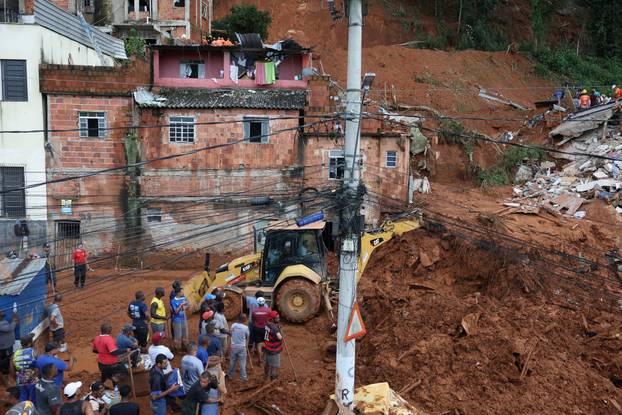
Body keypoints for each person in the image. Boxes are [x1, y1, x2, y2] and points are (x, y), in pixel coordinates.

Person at [13, 334, 37, 402]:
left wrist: (16, 378)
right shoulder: (33, 352)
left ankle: (23, 410)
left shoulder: (15, 353)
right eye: (32, 340)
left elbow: (12, 369)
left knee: (23, 397)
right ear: (29, 343)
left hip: (19, 378)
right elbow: (37, 367)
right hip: (31, 379)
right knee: (34, 397)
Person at [226, 314, 249, 381]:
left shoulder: (233, 325)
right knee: (242, 363)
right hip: (242, 347)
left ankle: (230, 375)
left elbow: (230, 334)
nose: (246, 319)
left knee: (232, 362)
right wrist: (246, 347)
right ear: (243, 319)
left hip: (234, 347)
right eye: (245, 318)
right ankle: (243, 377)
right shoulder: (245, 328)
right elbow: (248, 337)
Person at [263, 311, 283, 381]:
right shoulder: (275, 328)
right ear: (273, 319)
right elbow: (280, 337)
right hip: (274, 349)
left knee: (268, 363)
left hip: (267, 347)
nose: (278, 319)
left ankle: (266, 377)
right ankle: (273, 379)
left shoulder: (267, 324)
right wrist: (280, 331)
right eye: (277, 318)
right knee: (274, 365)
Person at [250, 297, 270, 364]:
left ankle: (259, 358)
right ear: (264, 303)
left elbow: (253, 321)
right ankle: (264, 356)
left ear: (258, 303)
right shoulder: (268, 310)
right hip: (265, 328)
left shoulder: (254, 311)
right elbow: (269, 319)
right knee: (266, 342)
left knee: (258, 343)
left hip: (257, 328)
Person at [0, 310, 18, 376]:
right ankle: (4, 374)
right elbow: (9, 328)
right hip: (4, 347)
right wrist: (14, 322)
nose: (3, 316)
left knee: (8, 358)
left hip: (8, 345)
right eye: (1, 314)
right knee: (5, 360)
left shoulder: (3, 321)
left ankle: (5, 373)